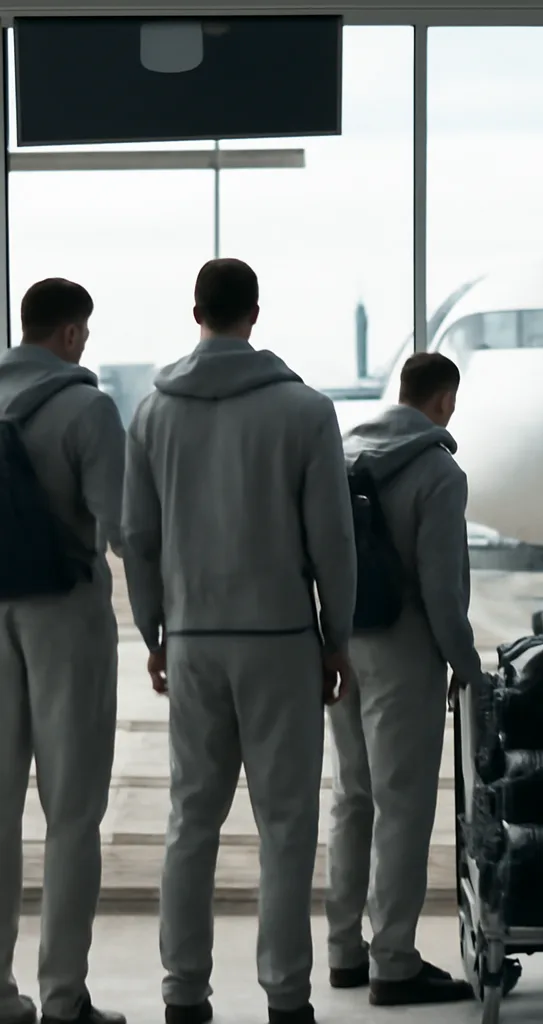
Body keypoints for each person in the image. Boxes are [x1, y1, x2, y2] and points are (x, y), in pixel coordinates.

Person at [121, 259, 357, 1024]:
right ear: (256, 313)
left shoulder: (153, 413)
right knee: (286, 826)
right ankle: (286, 998)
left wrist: (154, 627)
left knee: (191, 821)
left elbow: (138, 537)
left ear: (196, 310)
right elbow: (333, 541)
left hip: (192, 636)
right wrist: (337, 639)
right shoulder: (305, 410)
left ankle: (183, 994)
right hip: (283, 638)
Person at [325, 352, 478, 1006]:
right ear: (443, 401)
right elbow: (444, 589)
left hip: (342, 640)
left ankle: (343, 951)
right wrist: (466, 668)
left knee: (352, 797)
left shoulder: (340, 455)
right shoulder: (438, 471)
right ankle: (394, 959)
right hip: (405, 648)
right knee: (404, 806)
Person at [0, 280, 126, 1024]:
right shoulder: (87, 408)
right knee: (72, 811)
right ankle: (63, 995)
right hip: (65, 614)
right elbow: (124, 525)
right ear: (74, 334)